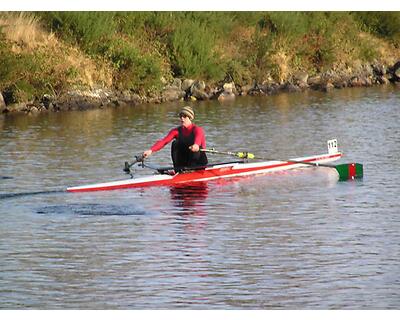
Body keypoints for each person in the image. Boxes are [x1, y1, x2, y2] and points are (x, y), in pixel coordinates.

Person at [142, 106, 208, 171]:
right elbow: (164, 141)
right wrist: (151, 150)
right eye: (181, 116)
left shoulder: (197, 129)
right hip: (186, 161)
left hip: (199, 162)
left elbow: (198, 140)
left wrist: (196, 145)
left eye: (185, 116)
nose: (182, 118)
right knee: (175, 143)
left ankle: (192, 170)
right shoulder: (176, 131)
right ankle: (178, 169)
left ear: (190, 118)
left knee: (196, 147)